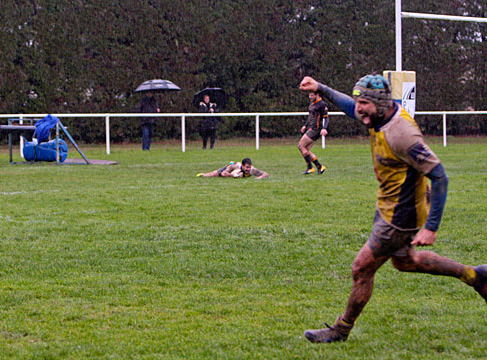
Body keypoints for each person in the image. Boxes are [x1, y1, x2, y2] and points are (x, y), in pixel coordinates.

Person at [298, 74, 487, 343]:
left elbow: (440, 175)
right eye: (358, 102)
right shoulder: (378, 114)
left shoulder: (402, 134)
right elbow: (349, 106)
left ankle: (341, 329)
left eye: (363, 103)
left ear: (379, 103)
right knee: (405, 262)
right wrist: (321, 88)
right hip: (392, 205)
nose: (358, 108)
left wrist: (432, 227)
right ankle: (475, 275)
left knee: (362, 268)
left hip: (400, 215)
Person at [298, 91, 329, 174]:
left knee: (301, 146)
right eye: (309, 95)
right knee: (306, 149)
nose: (310, 97)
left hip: (315, 129)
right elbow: (310, 117)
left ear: (317, 95)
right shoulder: (312, 104)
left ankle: (310, 168)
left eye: (312, 95)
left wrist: (324, 128)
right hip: (311, 128)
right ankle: (319, 167)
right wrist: (305, 125)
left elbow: (326, 118)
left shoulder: (322, 104)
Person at [196, 158, 269, 179]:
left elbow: (266, 174)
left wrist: (259, 178)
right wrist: (234, 176)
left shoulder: (252, 170)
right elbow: (223, 173)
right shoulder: (236, 166)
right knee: (215, 174)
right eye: (246, 167)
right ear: (242, 166)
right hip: (230, 168)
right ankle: (203, 175)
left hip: (236, 172)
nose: (248, 169)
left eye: (249, 167)